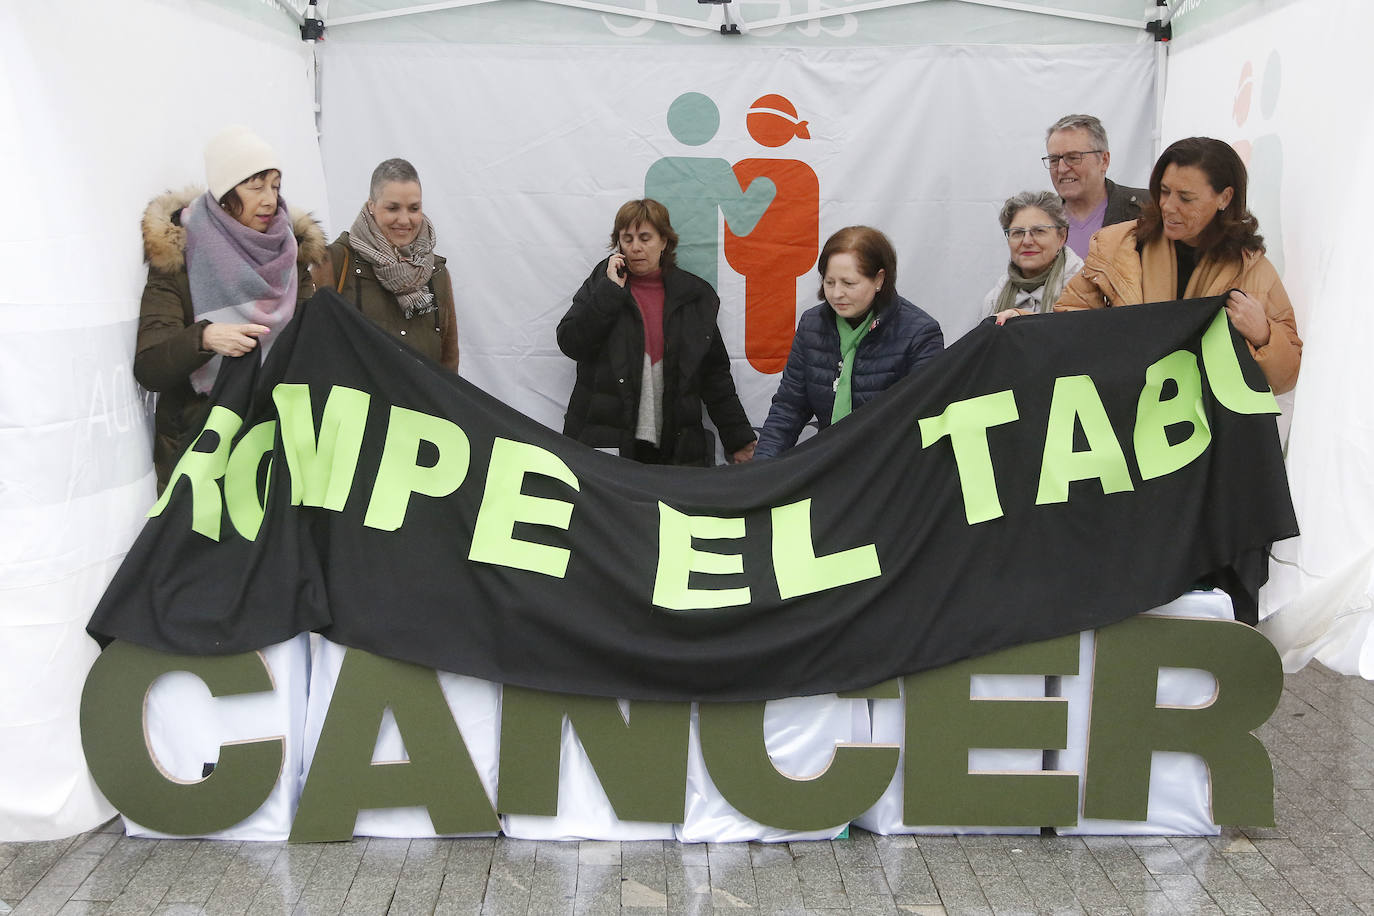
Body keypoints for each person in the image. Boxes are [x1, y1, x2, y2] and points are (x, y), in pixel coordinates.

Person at [135, 126, 324, 493]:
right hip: (201, 454)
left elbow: (315, 344)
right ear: (224, 194)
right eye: (255, 186)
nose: (270, 199)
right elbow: (150, 367)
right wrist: (204, 338)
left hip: (273, 449)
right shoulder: (180, 256)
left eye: (275, 185)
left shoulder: (291, 255)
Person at [1053, 136, 1301, 394]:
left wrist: (1264, 336)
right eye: (1164, 191)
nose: (1168, 206)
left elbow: (1286, 378)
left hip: (1205, 429)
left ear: (1224, 198)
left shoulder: (1253, 270)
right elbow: (1066, 322)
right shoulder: (1115, 246)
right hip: (1123, 414)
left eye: (1186, 197)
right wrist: (1022, 323)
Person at [557, 199, 757, 465]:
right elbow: (571, 342)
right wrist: (609, 293)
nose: (635, 247)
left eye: (645, 238)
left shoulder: (693, 296)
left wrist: (739, 439)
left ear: (664, 241)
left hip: (676, 449)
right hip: (606, 443)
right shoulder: (602, 284)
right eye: (626, 239)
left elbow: (714, 376)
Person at [754, 226, 944, 459]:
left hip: (889, 469)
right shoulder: (812, 324)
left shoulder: (921, 333)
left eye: (849, 283)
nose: (836, 294)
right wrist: (761, 468)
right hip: (829, 464)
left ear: (879, 279)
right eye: (829, 282)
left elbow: (922, 419)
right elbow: (789, 408)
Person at [313, 158, 458, 371]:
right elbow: (314, 349)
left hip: (419, 404)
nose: (404, 220)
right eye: (393, 208)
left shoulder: (436, 273)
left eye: (414, 208)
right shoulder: (334, 262)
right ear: (372, 206)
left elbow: (448, 362)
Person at [1044, 114, 1148, 258]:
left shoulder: (1145, 210)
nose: (1061, 169)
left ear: (1104, 160)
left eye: (1073, 158)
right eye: (1054, 160)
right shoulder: (1040, 221)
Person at [984, 191, 1083, 319]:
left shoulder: (1084, 291)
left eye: (1039, 231)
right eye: (1018, 232)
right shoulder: (994, 300)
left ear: (1062, 237)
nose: (1027, 241)